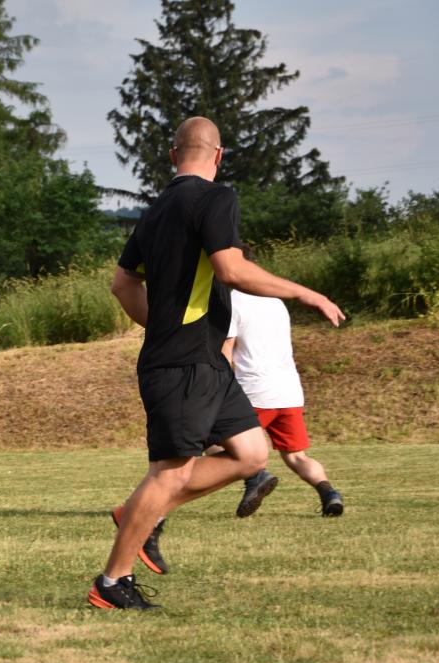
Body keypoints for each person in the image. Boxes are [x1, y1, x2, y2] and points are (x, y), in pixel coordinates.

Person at [90, 116, 345, 610]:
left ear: (173, 155)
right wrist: (304, 292)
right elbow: (231, 268)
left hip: (206, 362)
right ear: (219, 155)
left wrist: (162, 324)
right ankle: (111, 582)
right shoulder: (216, 197)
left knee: (251, 454)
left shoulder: (154, 211)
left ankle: (138, 513)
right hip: (183, 364)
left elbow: (123, 284)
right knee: (170, 473)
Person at [223, 245, 345, 518]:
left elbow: (226, 351)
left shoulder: (232, 302)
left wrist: (219, 387)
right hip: (288, 391)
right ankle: (329, 493)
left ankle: (256, 478)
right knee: (296, 455)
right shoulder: (275, 300)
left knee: (217, 441)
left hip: (254, 392)